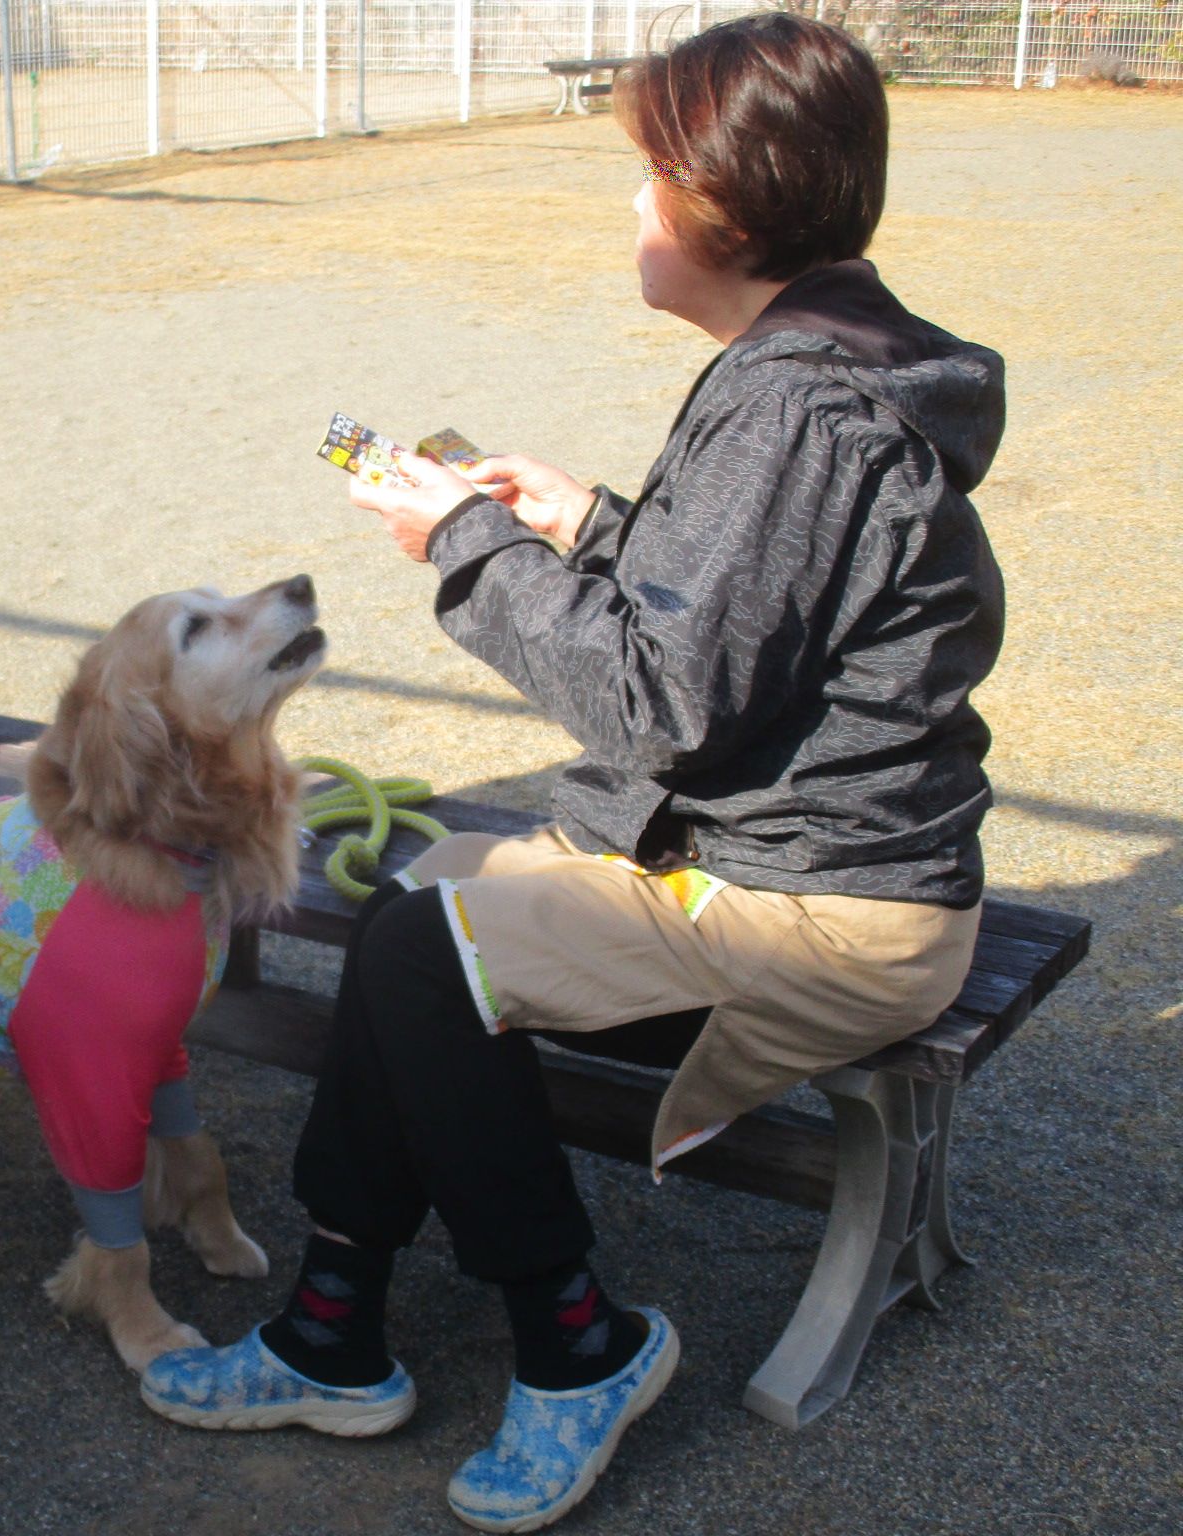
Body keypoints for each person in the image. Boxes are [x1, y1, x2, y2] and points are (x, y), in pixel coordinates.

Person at [137, 15, 1006, 1534]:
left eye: (648, 173)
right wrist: (590, 522)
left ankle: (574, 1339)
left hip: (824, 906)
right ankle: (334, 1329)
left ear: (725, 199)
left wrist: (465, 545)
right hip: (773, 857)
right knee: (417, 910)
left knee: (422, 957)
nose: (631, 204)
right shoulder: (821, 367)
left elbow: (661, 705)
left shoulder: (795, 408)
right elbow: (754, 618)